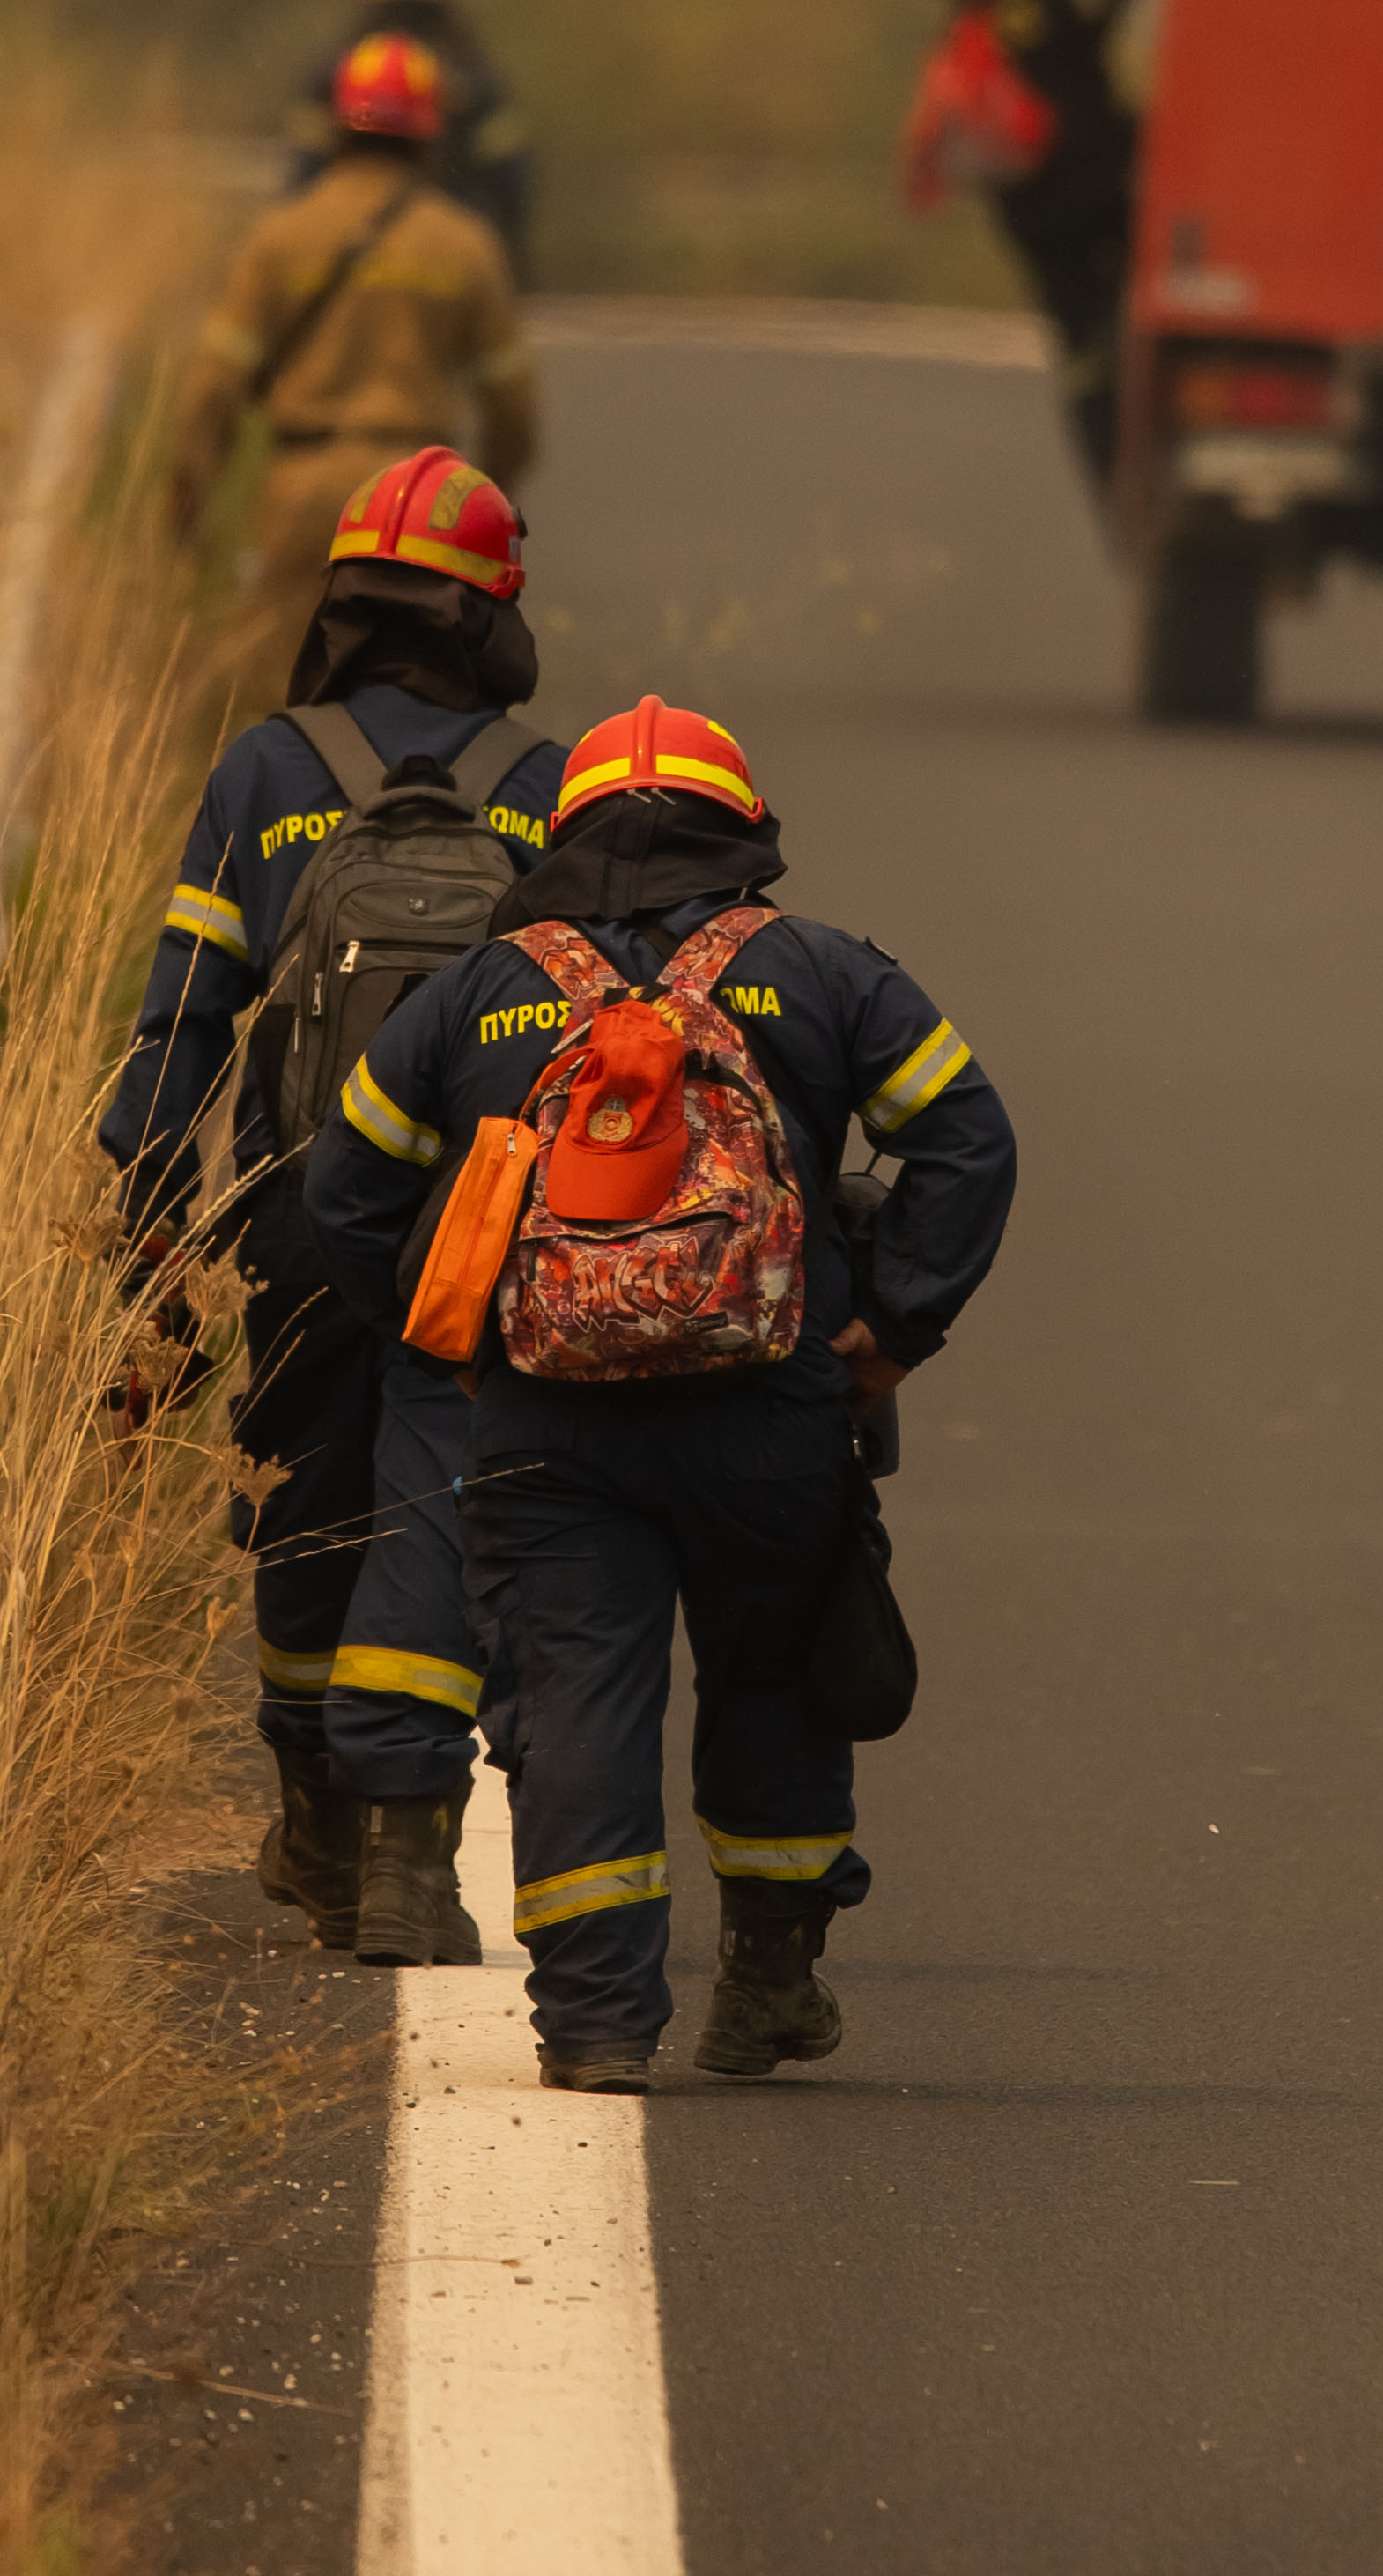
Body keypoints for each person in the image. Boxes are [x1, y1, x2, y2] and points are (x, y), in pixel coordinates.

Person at [304, 694, 1016, 2091]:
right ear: (744, 833)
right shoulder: (822, 974)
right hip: (772, 1414)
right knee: (773, 1680)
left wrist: (453, 1330)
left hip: (547, 1428)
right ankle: (765, 1987)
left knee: (572, 1702)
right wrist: (889, 1334)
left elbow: (346, 1186)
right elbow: (969, 1143)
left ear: (559, 838)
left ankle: (594, 2025)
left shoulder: (481, 989)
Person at [100, 448, 566, 1961]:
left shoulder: (264, 770)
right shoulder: (542, 785)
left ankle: (309, 1819)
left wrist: (155, 1201)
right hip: (480, 1219)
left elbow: (186, 1010)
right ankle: (409, 1863)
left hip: (297, 1205)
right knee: (439, 1505)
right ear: (484, 616)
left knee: (307, 1497)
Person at [169, 26, 536, 710]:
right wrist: (487, 508)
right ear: (430, 133)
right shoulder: (465, 246)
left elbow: (215, 386)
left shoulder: (281, 238)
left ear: (338, 124)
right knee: (428, 705)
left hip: (301, 495)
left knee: (280, 702)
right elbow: (513, 408)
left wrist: (189, 501)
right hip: (425, 505)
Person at [906, 0, 1156, 500]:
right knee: (1150, 311)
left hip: (1025, 204)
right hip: (1099, 186)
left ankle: (1118, 492)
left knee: (1081, 353)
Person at [295, 0, 536, 273]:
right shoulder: (471, 74)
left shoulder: (335, 73)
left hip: (347, 257)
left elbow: (303, 177)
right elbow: (510, 186)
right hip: (451, 262)